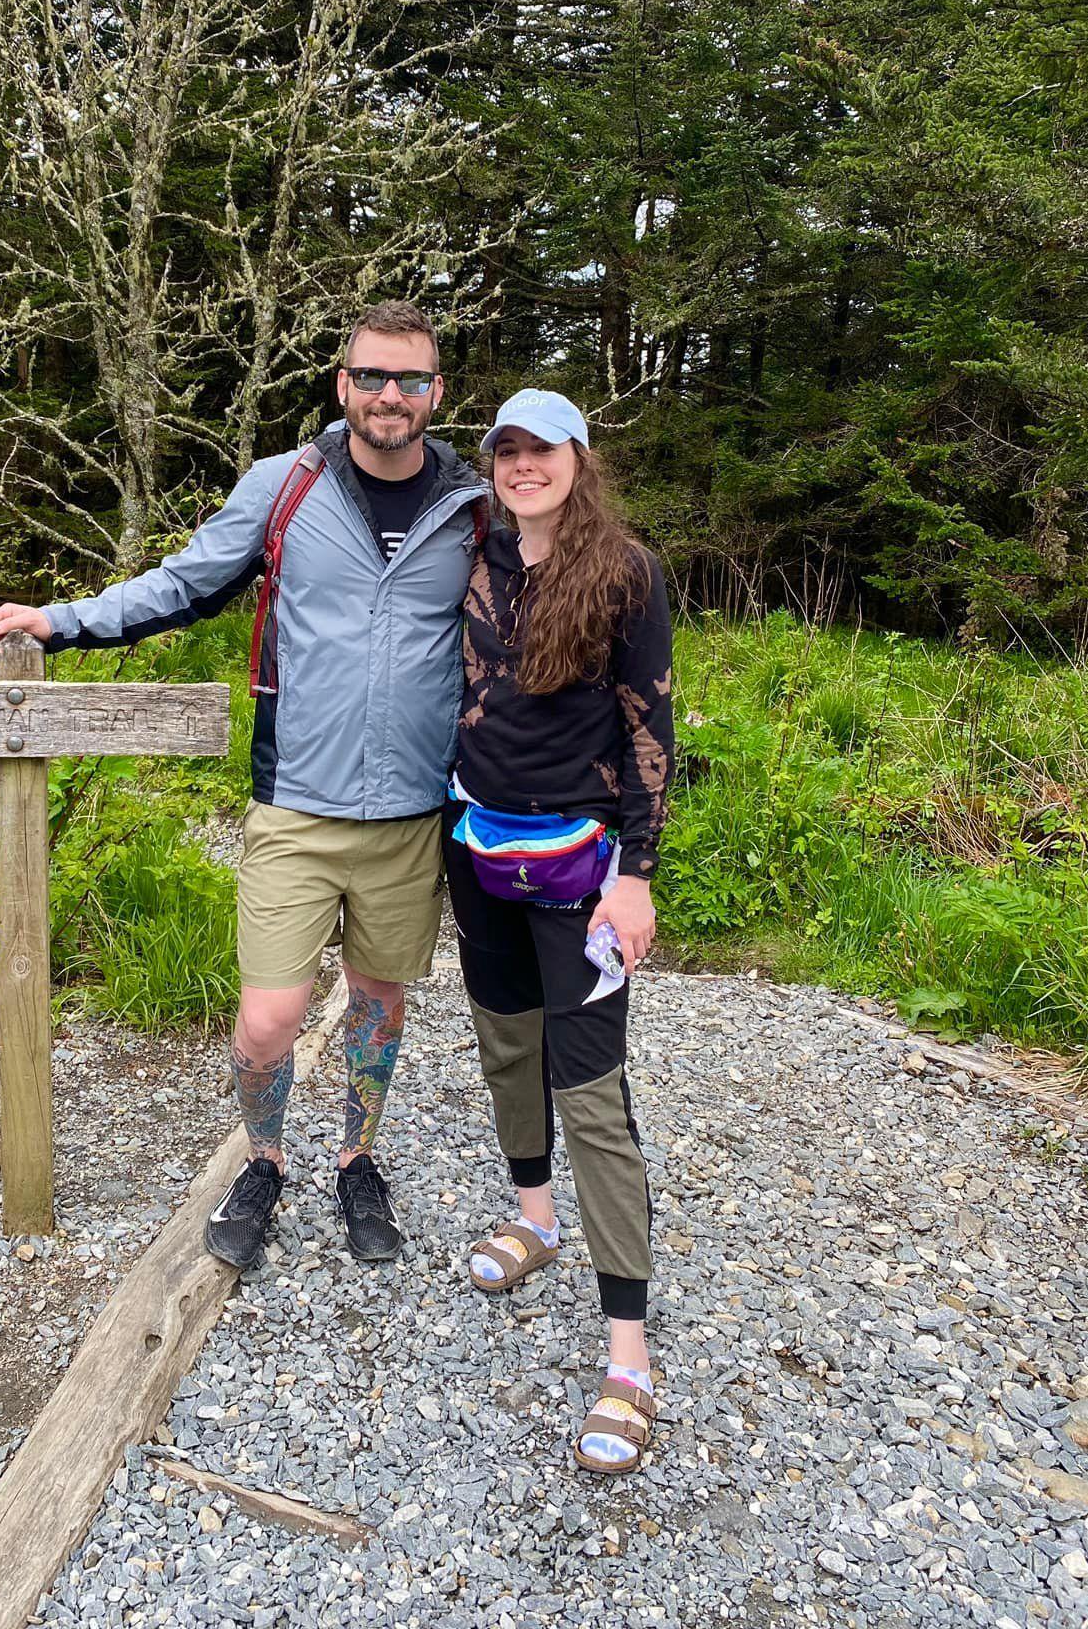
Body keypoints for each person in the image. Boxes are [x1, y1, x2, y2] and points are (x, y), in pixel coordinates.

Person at [0, 301, 488, 1270]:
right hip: (296, 803)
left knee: (378, 1003)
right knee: (267, 1021)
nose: (390, 395)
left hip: (413, 814)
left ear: (436, 391)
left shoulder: (470, 508)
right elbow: (182, 584)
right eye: (372, 376)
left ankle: (357, 1159)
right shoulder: (287, 486)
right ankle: (263, 1159)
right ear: (342, 384)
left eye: (410, 379)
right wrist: (61, 619)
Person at [441, 388, 674, 1476]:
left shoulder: (624, 571)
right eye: (507, 449)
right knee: (505, 1044)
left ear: (579, 458)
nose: (522, 464)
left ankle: (628, 1356)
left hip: (581, 866)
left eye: (543, 448)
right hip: (477, 848)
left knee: (591, 1090)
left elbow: (649, 726)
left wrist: (636, 876)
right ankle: (534, 1218)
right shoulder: (473, 555)